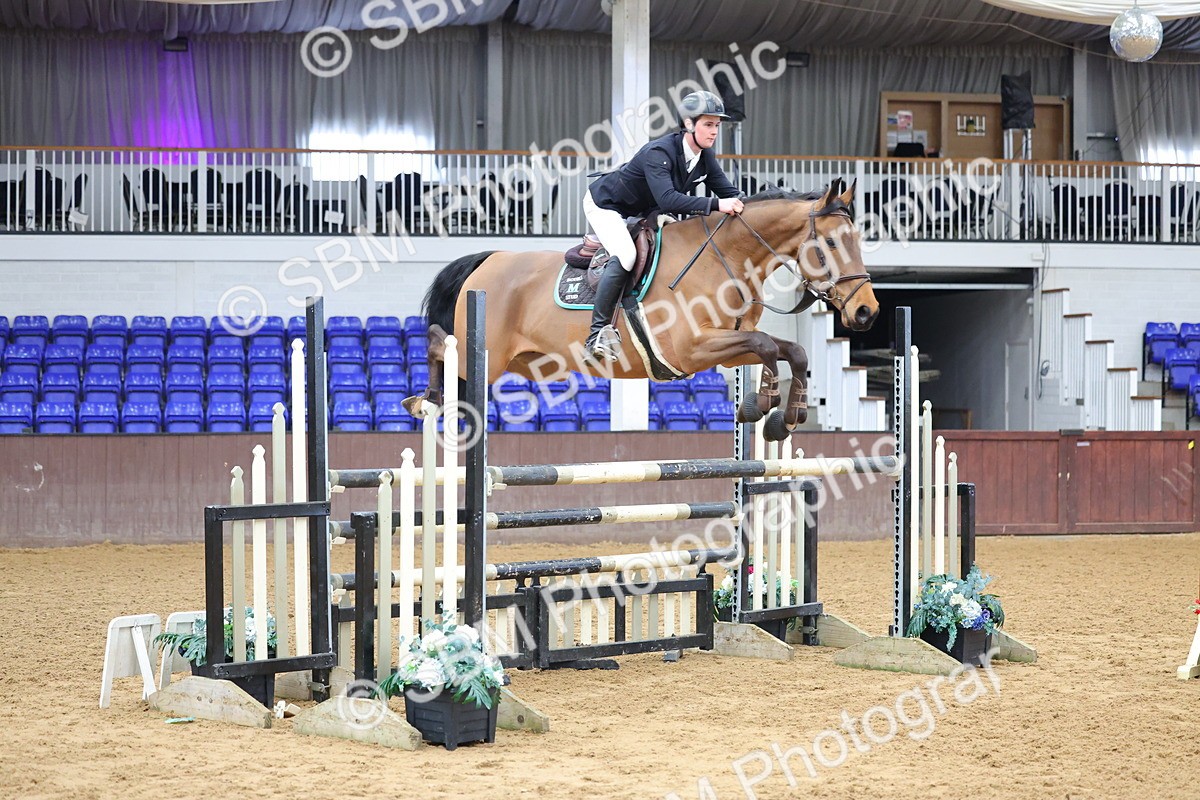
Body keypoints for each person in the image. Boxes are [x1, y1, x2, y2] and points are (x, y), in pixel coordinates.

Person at [582, 90, 745, 362]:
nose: (714, 131)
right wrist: (717, 206)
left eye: (717, 125)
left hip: (642, 211)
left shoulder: (704, 157)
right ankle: (597, 333)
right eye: (708, 124)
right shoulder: (659, 152)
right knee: (626, 255)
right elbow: (668, 199)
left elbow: (729, 193)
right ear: (689, 124)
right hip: (608, 205)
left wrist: (760, 206)